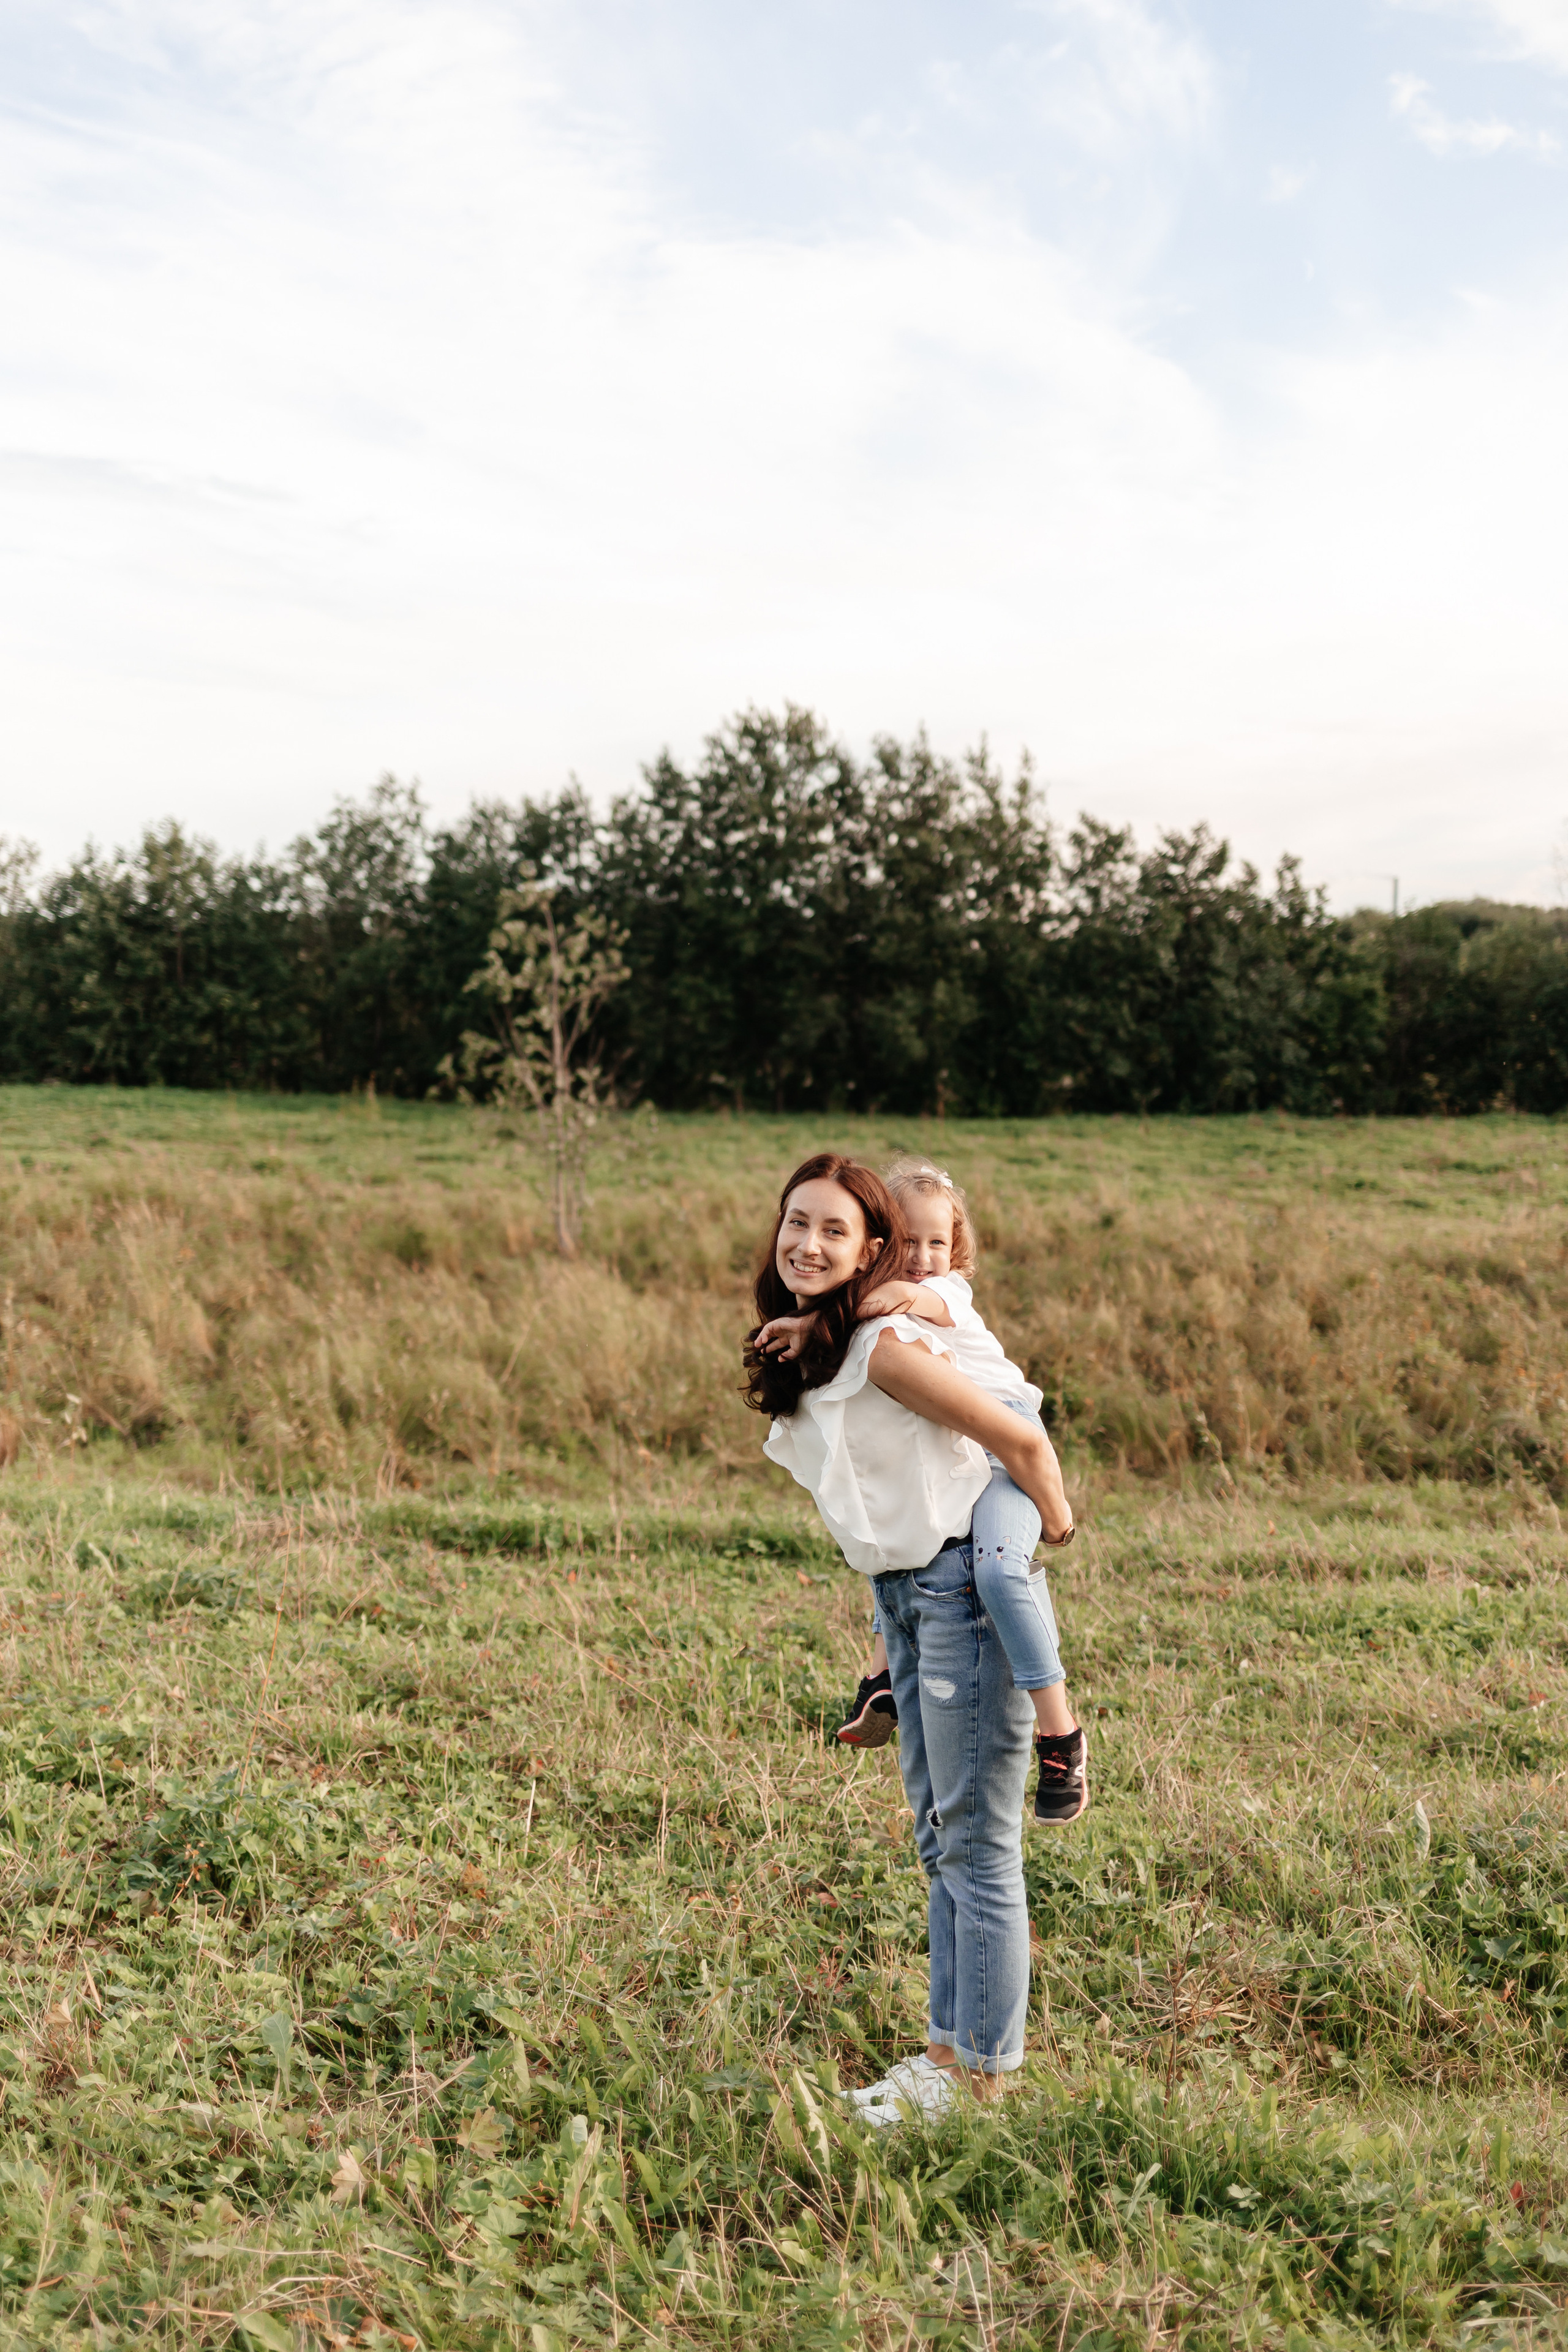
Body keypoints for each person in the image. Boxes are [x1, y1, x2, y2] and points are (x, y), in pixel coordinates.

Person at [742, 1151, 1080, 2125]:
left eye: (834, 1230)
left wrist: (1052, 1522)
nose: (808, 1243)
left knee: (975, 1845)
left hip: (956, 1597)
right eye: (796, 1222)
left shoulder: (889, 1343)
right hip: (905, 1601)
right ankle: (947, 2055)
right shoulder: (831, 1340)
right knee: (944, 1840)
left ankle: (976, 2079)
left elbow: (1021, 1440)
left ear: (876, 1251)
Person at [756, 1156, 1087, 1825]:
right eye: (907, 1243)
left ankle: (1061, 1735)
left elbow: (885, 1307)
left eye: (936, 1243)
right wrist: (810, 1324)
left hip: (1007, 1447)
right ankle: (880, 1678)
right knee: (894, 1552)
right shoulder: (871, 1316)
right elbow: (862, 1315)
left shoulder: (941, 1293)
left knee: (999, 1574)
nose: (921, 1258)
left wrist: (1057, 1518)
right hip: (977, 1452)